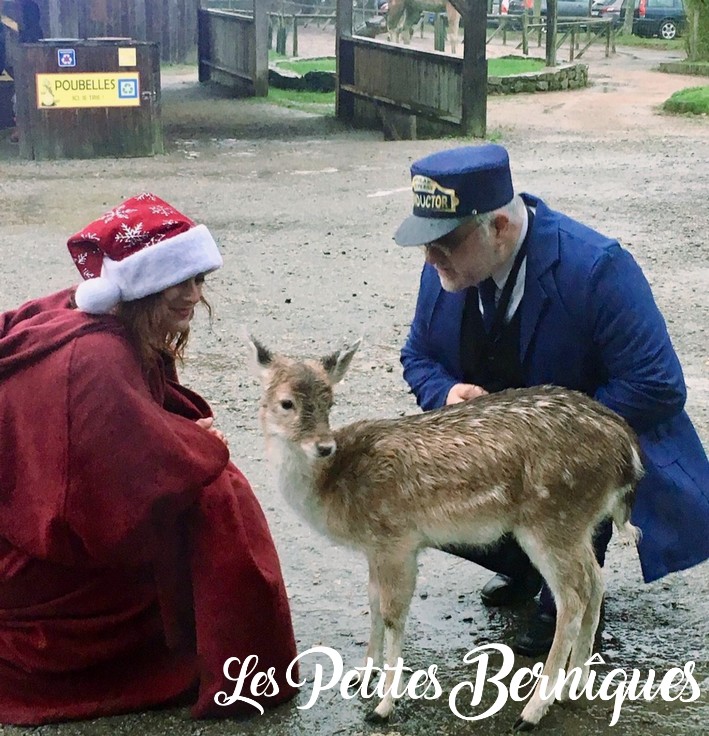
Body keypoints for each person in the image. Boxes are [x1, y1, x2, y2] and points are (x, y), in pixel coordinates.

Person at [394, 144, 709, 656]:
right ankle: (528, 565)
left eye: (444, 243)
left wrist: (543, 436)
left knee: (561, 476)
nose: (429, 260)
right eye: (426, 244)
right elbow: (418, 355)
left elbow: (658, 383)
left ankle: (568, 596)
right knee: (415, 495)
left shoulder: (598, 268)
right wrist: (446, 394)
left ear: (498, 227)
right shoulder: (446, 268)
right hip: (509, 460)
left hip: (582, 463)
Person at [0, 194, 299, 724]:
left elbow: (121, 437)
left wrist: (173, 434)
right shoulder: (95, 357)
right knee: (216, 495)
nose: (194, 295)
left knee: (206, 474)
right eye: (178, 281)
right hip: (33, 569)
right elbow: (106, 491)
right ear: (137, 285)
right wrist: (199, 446)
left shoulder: (87, 313)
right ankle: (238, 664)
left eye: (199, 279)